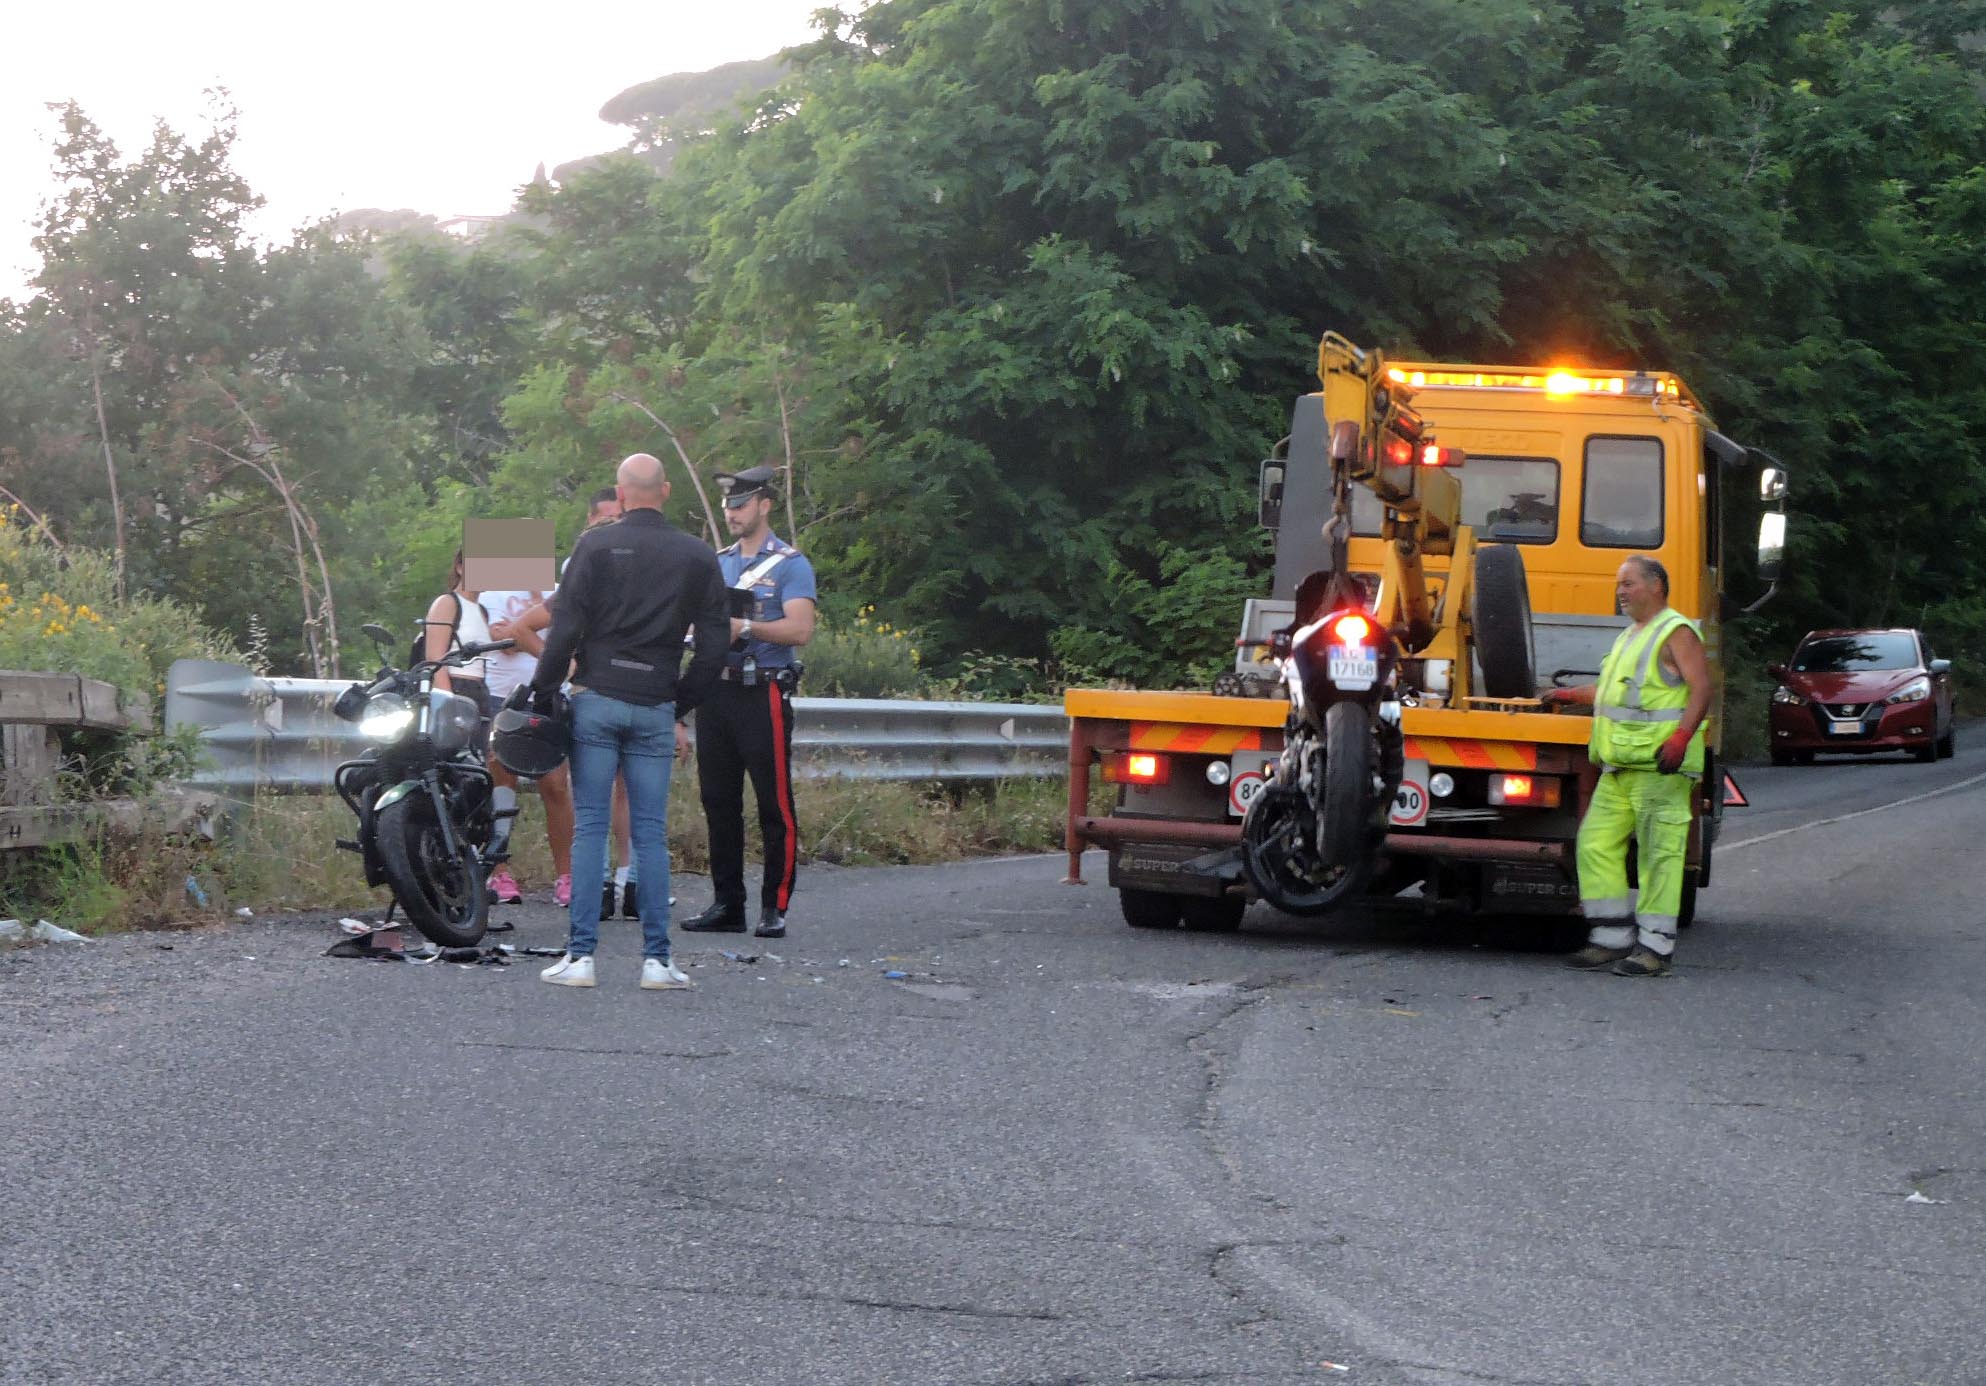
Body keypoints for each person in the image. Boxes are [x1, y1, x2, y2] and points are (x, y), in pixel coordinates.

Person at [530, 454, 729, 990]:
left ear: (619, 495)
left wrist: (543, 690)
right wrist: (680, 699)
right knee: (649, 833)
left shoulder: (594, 545)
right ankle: (658, 962)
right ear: (665, 491)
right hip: (655, 703)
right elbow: (714, 647)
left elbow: (564, 626)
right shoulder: (697, 555)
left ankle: (581, 958)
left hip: (597, 696)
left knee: (591, 825)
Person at [1543, 555, 1711, 978]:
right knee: (1595, 845)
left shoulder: (1675, 631)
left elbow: (1702, 688)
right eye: (1619, 584)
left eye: (1628, 584)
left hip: (1659, 767)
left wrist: (1681, 738)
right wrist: (1566, 696)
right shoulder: (1631, 636)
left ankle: (1655, 950)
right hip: (1619, 768)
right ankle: (1611, 938)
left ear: (1656, 586)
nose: (1620, 591)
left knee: (1659, 857)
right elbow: (1609, 693)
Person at [680, 464, 817, 941]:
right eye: (727, 506)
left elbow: (800, 630)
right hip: (716, 692)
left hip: (763, 692)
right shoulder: (717, 562)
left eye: (739, 505)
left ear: (764, 505)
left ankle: (774, 906)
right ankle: (727, 903)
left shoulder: (790, 564)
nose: (731, 514)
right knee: (719, 802)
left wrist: (748, 629)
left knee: (774, 804)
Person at [509, 487, 634, 916]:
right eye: (605, 522)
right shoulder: (579, 567)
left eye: (620, 520)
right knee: (589, 794)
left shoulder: (643, 570)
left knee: (629, 792)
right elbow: (526, 626)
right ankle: (592, 886)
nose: (613, 529)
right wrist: (561, 671)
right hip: (585, 692)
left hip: (633, 692)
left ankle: (629, 881)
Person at [421, 553, 519, 874]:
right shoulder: (447, 603)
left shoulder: (483, 609)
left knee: (477, 777)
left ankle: (473, 863)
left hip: (479, 693)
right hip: (455, 691)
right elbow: (436, 659)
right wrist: (446, 704)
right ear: (460, 567)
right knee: (455, 774)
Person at [482, 579, 574, 906]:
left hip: (549, 696)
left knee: (555, 785)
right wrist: (526, 634)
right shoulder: (493, 591)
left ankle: (566, 876)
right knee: (502, 780)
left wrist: (524, 627)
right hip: (502, 696)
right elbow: (504, 641)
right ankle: (500, 871)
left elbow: (567, 641)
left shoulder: (560, 589)